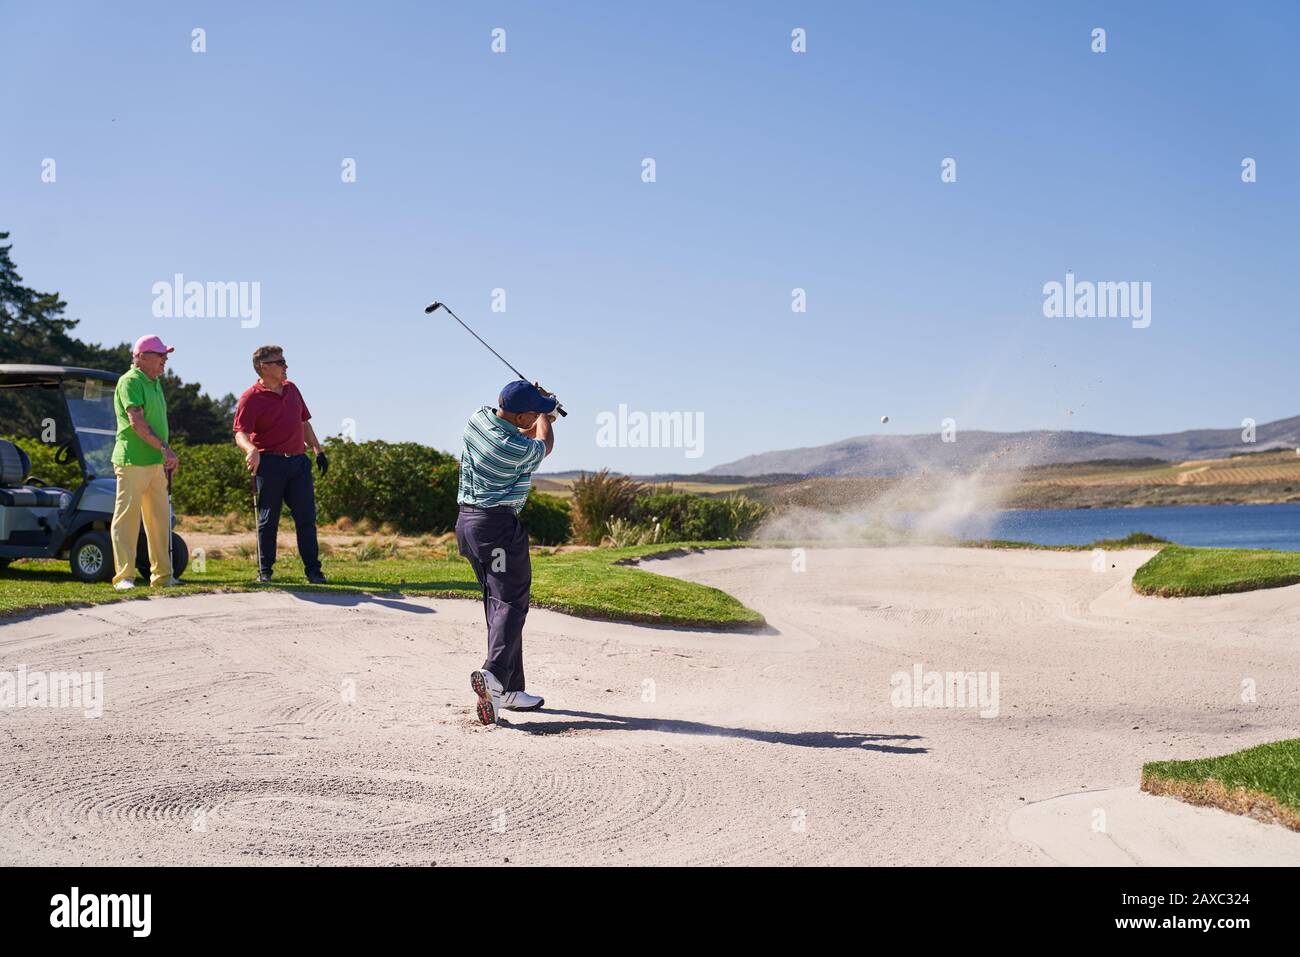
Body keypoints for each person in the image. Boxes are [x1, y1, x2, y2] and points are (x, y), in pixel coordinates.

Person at [456, 380, 558, 725]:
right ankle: (495, 676)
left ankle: (512, 689)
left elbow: (523, 429)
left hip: (468, 526)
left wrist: (537, 408)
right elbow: (544, 444)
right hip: (497, 530)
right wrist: (546, 416)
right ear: (521, 415)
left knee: (497, 604)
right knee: (512, 602)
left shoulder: (478, 418)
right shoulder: (514, 449)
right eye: (532, 413)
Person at [232, 345, 328, 584]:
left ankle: (314, 571)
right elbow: (239, 433)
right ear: (265, 367)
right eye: (281, 362)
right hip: (270, 465)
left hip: (298, 463)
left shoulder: (292, 389)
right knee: (268, 519)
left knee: (306, 518)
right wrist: (251, 449)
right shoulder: (250, 397)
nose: (286, 366)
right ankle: (265, 571)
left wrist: (318, 449)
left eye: (285, 361)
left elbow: (304, 423)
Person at [109, 334, 180, 590]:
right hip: (131, 461)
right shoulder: (130, 381)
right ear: (142, 357)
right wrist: (165, 449)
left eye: (165, 355)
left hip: (154, 463)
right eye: (161, 355)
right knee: (127, 520)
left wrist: (165, 453)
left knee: (159, 520)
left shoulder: (155, 382)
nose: (165, 360)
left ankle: (162, 576)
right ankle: (124, 577)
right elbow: (137, 423)